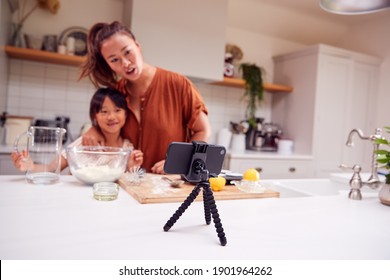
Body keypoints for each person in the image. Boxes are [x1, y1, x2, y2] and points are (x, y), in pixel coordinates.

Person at [79, 21, 211, 174]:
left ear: (137, 45)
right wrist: (95, 130)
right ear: (108, 64)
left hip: (169, 185)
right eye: (114, 60)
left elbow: (203, 130)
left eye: (127, 52)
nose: (126, 63)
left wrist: (178, 161)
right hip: (128, 186)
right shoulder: (116, 93)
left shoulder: (178, 85)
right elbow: (109, 130)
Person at [11, 87, 143, 172]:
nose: (111, 117)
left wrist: (133, 168)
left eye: (117, 110)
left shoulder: (128, 148)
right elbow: (51, 168)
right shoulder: (83, 143)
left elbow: (128, 183)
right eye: (104, 111)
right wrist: (31, 166)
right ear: (94, 116)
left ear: (126, 114)